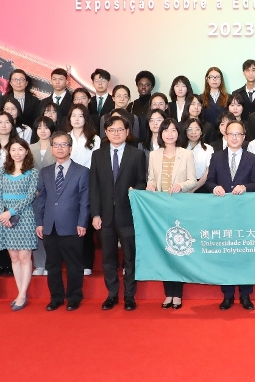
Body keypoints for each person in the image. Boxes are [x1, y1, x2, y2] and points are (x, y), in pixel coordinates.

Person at [90, 116, 149, 310]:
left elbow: (142, 182)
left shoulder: (137, 154)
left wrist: (135, 189)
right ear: (106, 133)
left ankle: (130, 295)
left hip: (128, 214)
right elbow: (94, 186)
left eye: (120, 130)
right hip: (105, 215)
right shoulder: (97, 155)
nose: (116, 133)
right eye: (112, 130)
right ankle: (112, 295)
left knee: (130, 257)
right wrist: (95, 214)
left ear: (127, 132)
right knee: (108, 258)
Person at [203, 121, 255, 310]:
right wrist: (214, 187)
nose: (235, 138)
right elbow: (209, 181)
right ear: (225, 136)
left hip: (245, 214)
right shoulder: (216, 157)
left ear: (244, 137)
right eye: (231, 134)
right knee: (226, 254)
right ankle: (227, 295)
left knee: (245, 254)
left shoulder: (252, 158)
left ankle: (246, 295)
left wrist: (245, 187)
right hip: (223, 214)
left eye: (238, 134)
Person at [34, 132, 90, 311]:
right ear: (51, 148)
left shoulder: (82, 171)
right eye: (56, 145)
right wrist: (39, 222)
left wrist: (82, 223)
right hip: (50, 226)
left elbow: (85, 200)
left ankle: (74, 298)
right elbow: (41, 199)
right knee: (52, 265)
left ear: (70, 148)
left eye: (64, 144)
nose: (60, 148)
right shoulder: (45, 172)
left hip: (72, 226)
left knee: (74, 265)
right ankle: (56, 298)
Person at [147, 119, 198, 309]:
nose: (170, 134)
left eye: (173, 130)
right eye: (166, 130)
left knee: (179, 249)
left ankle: (178, 295)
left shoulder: (186, 154)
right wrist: (151, 185)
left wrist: (181, 186)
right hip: (160, 210)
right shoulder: (154, 155)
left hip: (180, 207)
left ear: (178, 133)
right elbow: (151, 179)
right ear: (160, 134)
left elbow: (193, 180)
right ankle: (168, 293)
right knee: (165, 251)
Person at [0, 139, 40, 310]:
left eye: (20, 149)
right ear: (9, 152)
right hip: (5, 219)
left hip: (25, 217)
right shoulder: (2, 171)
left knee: (24, 257)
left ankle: (22, 294)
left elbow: (29, 197)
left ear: (26, 151)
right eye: (13, 149)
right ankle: (21, 293)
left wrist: (11, 212)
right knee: (13, 257)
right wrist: (1, 215)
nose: (17, 153)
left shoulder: (33, 172)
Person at [65, 104, 100, 169]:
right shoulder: (65, 138)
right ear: (70, 118)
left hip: (87, 173)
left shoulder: (95, 138)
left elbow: (96, 161)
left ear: (85, 119)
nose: (76, 119)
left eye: (80, 116)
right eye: (74, 116)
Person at [184, 118, 215, 192]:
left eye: (197, 129)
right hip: (183, 185)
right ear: (186, 131)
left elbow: (208, 172)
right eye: (190, 129)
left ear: (201, 132)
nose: (193, 132)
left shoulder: (208, 149)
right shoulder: (181, 148)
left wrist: (193, 189)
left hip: (202, 185)